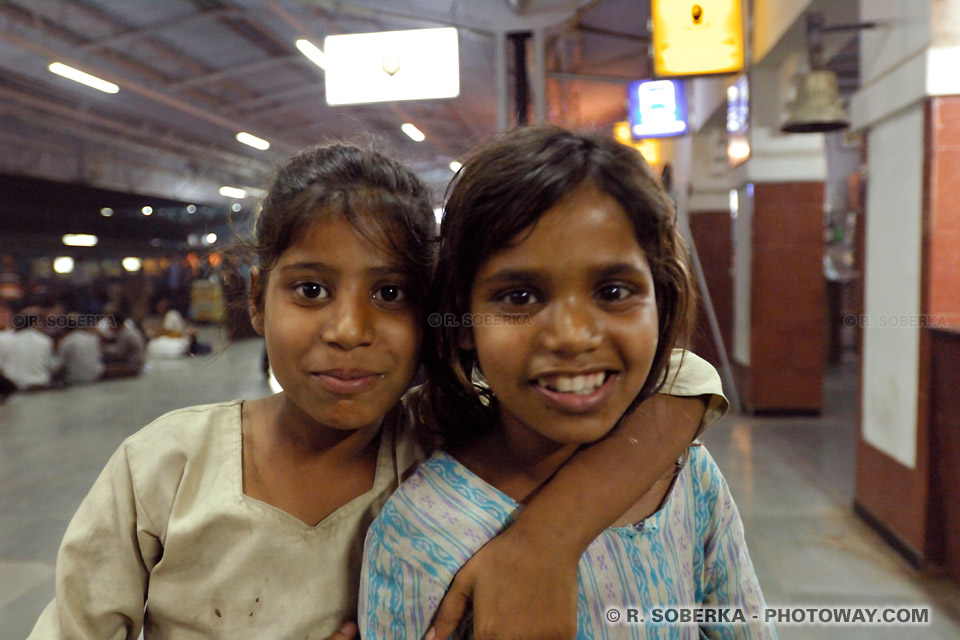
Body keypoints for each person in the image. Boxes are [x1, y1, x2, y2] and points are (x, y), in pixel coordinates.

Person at [29, 141, 723, 640]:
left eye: (390, 293)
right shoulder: (166, 467)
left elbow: (684, 380)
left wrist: (544, 543)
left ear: (434, 314)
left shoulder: (442, 441)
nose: (349, 329)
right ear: (256, 299)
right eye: (310, 289)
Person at [360, 126, 773, 639]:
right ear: (463, 321)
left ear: (659, 301)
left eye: (615, 290)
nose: (573, 337)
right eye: (519, 298)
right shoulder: (418, 535)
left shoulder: (689, 476)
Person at [100, 305, 146, 377]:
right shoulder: (127, 330)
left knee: (103, 361)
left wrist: (103, 349)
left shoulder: (125, 334)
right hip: (135, 359)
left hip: (133, 363)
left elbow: (119, 354)